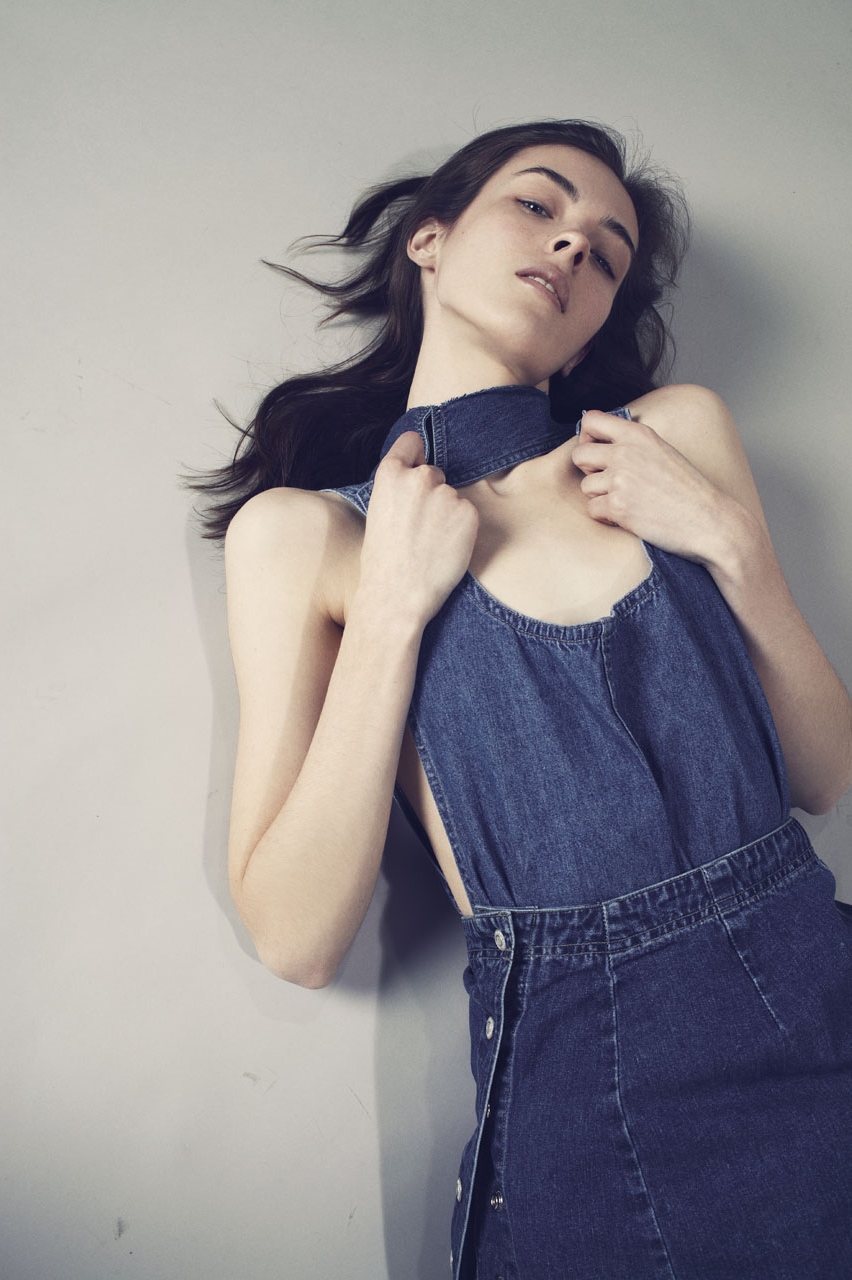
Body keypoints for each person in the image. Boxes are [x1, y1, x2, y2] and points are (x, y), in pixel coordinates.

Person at [191, 120, 852, 1278]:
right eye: (538, 206)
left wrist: (733, 546)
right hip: (596, 1064)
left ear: (599, 317)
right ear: (428, 240)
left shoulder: (670, 438)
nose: (572, 247)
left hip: (819, 975)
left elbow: (823, 774)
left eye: (606, 252)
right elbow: (296, 936)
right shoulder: (306, 536)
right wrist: (389, 612)